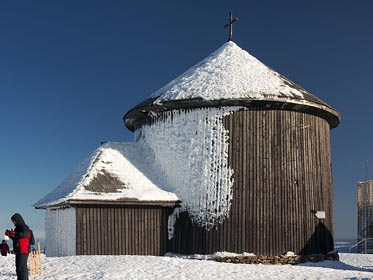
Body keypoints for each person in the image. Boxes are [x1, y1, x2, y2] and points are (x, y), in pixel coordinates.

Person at [5, 213, 34, 280]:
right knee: (18, 268)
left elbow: (24, 234)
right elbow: (16, 238)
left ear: (18, 220)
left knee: (22, 268)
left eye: (14, 221)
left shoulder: (24, 227)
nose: (13, 222)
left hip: (24, 250)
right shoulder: (17, 228)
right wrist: (10, 234)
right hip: (18, 250)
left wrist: (14, 233)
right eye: (13, 221)